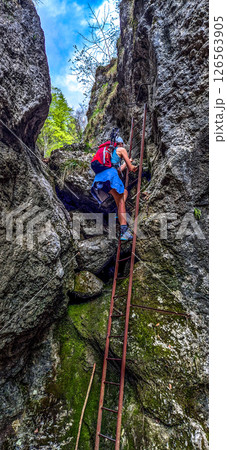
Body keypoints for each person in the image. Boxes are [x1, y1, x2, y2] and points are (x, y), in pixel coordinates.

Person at [91, 136, 137, 241]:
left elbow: (119, 169)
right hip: (111, 177)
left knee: (123, 193)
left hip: (100, 180)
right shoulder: (121, 150)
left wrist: (126, 162)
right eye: (122, 144)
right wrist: (133, 166)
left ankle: (117, 213)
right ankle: (124, 232)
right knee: (121, 202)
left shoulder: (109, 154)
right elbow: (131, 168)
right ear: (120, 144)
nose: (123, 146)